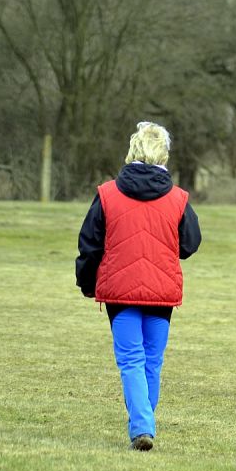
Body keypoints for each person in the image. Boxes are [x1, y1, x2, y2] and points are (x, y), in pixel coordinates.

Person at [76, 121, 201, 451]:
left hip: (120, 290)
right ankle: (143, 422)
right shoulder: (178, 198)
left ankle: (142, 425)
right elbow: (190, 243)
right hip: (161, 292)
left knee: (131, 360)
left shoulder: (107, 193)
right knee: (151, 361)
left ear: (132, 150)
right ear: (164, 155)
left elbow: (89, 244)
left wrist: (86, 283)